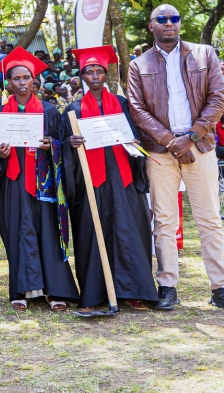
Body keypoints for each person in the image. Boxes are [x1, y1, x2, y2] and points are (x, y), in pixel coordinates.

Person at [127, 4, 224, 310]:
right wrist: (171, 141)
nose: (169, 23)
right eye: (162, 19)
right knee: (164, 220)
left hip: (200, 147)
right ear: (151, 26)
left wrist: (191, 136)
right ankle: (167, 285)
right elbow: (138, 110)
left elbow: (218, 98)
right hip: (160, 152)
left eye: (175, 18)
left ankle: (220, 286)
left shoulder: (204, 54)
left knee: (209, 218)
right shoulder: (138, 65)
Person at [0, 47, 79, 311]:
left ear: (34, 81)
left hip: (43, 182)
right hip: (14, 183)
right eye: (15, 79)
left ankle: (55, 290)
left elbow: (62, 144)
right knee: (16, 232)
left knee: (48, 232)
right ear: (8, 83)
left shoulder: (49, 111)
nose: (21, 83)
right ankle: (22, 289)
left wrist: (51, 146)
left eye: (26, 78)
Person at [62, 46, 159, 311]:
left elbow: (137, 137)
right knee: (92, 233)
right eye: (89, 71)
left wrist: (135, 143)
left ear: (107, 74)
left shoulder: (124, 104)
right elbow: (62, 147)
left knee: (129, 231)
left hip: (122, 178)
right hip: (91, 182)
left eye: (99, 71)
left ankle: (134, 291)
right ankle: (94, 295)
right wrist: (68, 142)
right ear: (82, 75)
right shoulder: (73, 109)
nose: (94, 75)